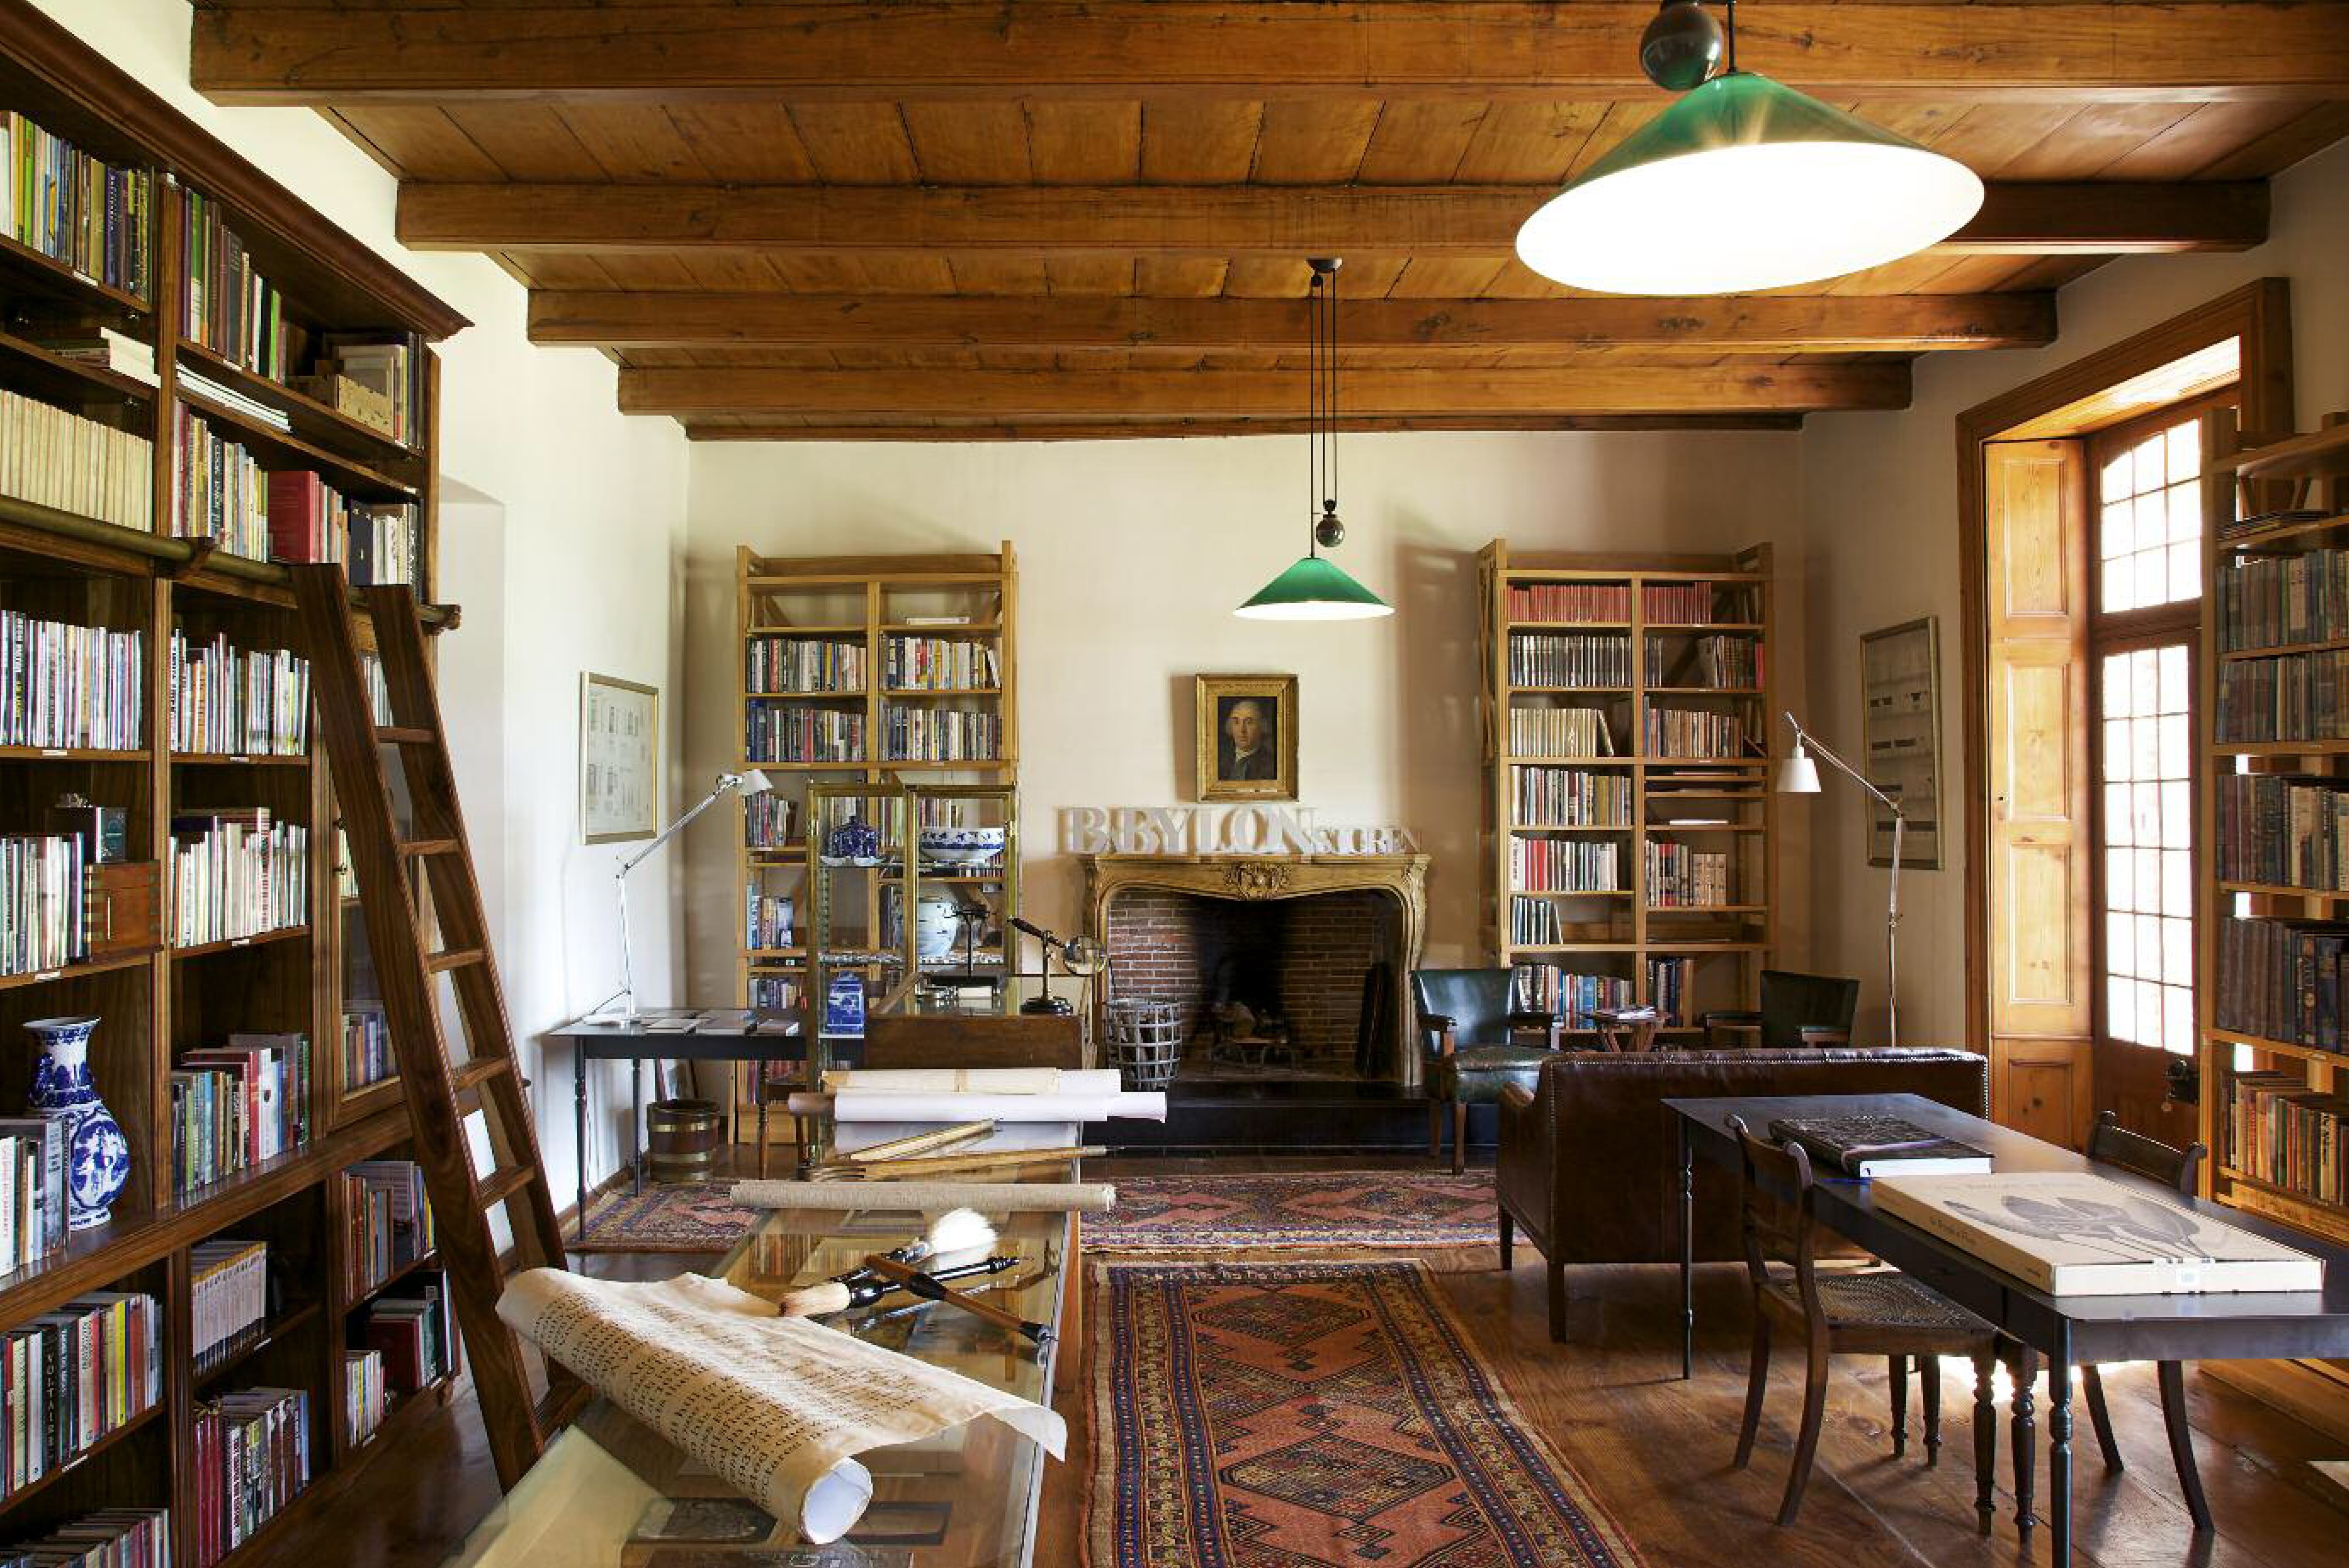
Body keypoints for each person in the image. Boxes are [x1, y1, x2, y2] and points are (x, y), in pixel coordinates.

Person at [1219, 698, 1278, 781]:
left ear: (1262, 726)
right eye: (1236, 723)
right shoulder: (1219, 759)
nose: (1242, 730)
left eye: (1249, 722)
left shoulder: (1273, 764)